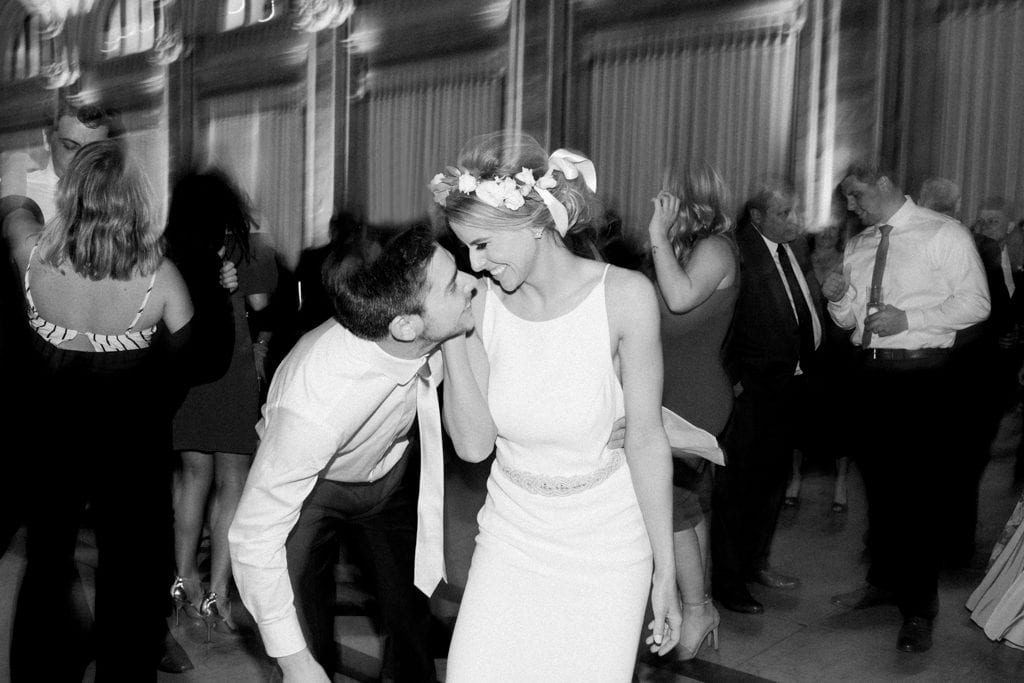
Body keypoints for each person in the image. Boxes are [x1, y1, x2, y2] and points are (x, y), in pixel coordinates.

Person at [434, 131, 681, 681]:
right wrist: (452, 333)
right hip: (511, 537)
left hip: (607, 544)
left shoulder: (625, 297)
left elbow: (644, 437)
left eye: (482, 244)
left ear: (533, 224)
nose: (475, 264)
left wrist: (668, 571)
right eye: (465, 248)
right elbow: (473, 446)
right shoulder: (478, 306)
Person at [229, 225, 478, 682]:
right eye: (453, 283)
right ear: (405, 326)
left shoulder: (429, 323)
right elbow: (252, 538)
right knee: (306, 640)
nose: (472, 283)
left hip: (387, 478)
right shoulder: (317, 403)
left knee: (410, 622)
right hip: (313, 491)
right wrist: (296, 663)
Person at [1, 140, 195, 680]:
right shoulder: (161, 280)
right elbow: (186, 365)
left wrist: (20, 187)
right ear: (138, 202)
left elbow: (14, 215)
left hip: (51, 440)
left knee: (46, 564)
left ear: (71, 195)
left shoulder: (31, 257)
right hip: (129, 444)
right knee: (130, 575)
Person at [825, 163, 989, 653]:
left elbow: (976, 303)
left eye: (856, 196)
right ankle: (884, 580)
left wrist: (909, 317)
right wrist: (837, 300)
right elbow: (850, 318)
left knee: (917, 494)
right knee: (878, 487)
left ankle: (919, 607)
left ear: (883, 183)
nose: (852, 207)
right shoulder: (860, 245)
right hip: (870, 375)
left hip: (923, 378)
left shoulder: (944, 234)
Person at [167, 168, 278, 637]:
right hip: (230, 359)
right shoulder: (247, 244)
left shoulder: (168, 245)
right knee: (233, 478)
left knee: (193, 475)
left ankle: (182, 579)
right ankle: (218, 591)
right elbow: (259, 303)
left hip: (189, 362)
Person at [711, 180, 824, 616]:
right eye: (784, 213)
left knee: (772, 484)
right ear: (757, 217)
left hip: (788, 389)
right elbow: (722, 319)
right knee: (739, 490)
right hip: (751, 393)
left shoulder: (790, 249)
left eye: (795, 211)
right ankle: (729, 581)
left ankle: (757, 562)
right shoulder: (738, 251)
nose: (794, 220)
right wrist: (733, 380)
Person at [645, 161, 737, 659]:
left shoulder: (716, 248)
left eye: (665, 200)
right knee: (687, 503)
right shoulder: (686, 251)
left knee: (671, 507)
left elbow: (678, 302)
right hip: (673, 390)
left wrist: (658, 235)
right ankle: (699, 603)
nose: (656, 206)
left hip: (694, 397)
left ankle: (697, 608)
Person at [784, 223, 852, 515]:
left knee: (841, 417)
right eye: (823, 227)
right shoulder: (801, 260)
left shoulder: (849, 259)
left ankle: (841, 483)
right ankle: (795, 479)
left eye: (833, 228)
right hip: (807, 348)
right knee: (800, 416)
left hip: (840, 348)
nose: (828, 233)